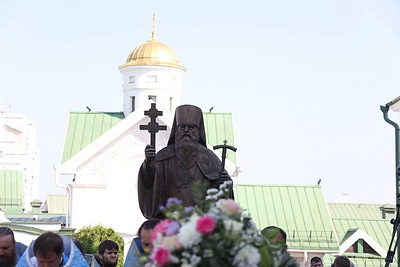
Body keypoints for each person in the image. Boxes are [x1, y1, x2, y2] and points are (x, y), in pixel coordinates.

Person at [138, 104, 234, 218]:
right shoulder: (164, 156)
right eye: (183, 127)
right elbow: (150, 181)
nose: (187, 130)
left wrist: (224, 182)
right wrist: (149, 163)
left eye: (191, 127)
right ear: (177, 131)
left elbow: (221, 186)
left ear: (198, 132)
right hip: (169, 222)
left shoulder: (208, 157)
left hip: (199, 223)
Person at [17, 231, 88, 267]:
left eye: (50, 262)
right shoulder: (31, 262)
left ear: (61, 255)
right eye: (41, 262)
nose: (46, 266)